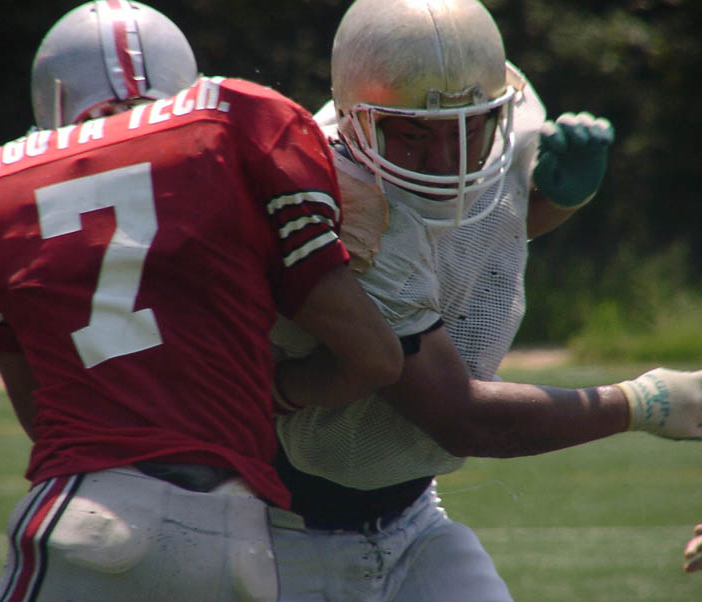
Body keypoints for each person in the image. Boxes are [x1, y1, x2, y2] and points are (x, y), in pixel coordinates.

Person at [0, 1, 404, 600]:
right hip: (240, 536)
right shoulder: (232, 126)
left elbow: (40, 421)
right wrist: (270, 393)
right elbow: (376, 358)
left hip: (93, 512)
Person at [267, 0, 702, 600]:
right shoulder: (338, 205)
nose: (447, 161)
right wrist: (642, 402)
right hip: (279, 530)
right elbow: (461, 418)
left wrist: (554, 203)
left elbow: (463, 242)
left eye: (467, 131)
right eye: (415, 135)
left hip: (411, 516)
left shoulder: (494, 127)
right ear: (355, 121)